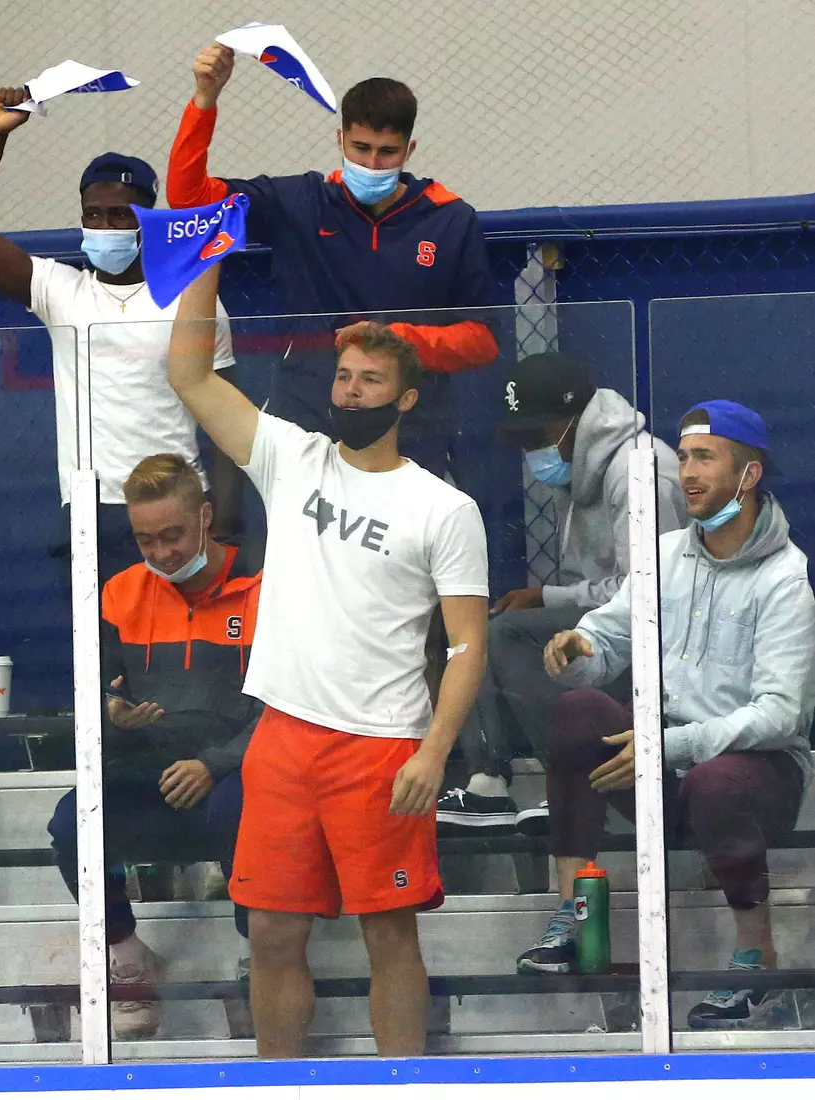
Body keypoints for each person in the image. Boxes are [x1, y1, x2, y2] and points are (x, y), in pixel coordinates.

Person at [165, 262, 488, 1058]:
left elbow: (468, 645)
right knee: (272, 930)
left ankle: (401, 1082)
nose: (349, 391)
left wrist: (434, 750)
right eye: (343, 377)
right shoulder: (292, 457)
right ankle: (277, 1082)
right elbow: (188, 373)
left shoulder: (443, 508)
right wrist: (206, 260)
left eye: (369, 380)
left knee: (388, 931)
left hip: (380, 746)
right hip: (281, 737)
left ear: (405, 398)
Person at [517, 400, 815, 1031]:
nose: (687, 472)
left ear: (749, 474)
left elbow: (780, 715)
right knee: (578, 710)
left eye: (705, 457)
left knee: (718, 778)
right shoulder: (666, 552)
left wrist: (668, 746)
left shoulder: (787, 579)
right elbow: (611, 636)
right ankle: (571, 920)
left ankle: (755, 966)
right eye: (682, 457)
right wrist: (582, 645)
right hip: (656, 762)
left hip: (754, 775)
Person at [0, 86, 240, 583]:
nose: (106, 225)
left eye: (121, 214)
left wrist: (227, 524)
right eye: (94, 215)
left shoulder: (193, 298)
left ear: (149, 219)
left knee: (182, 652)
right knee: (100, 658)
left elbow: (228, 420)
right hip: (92, 510)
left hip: (180, 508)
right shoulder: (60, 290)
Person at [165, 46, 499, 480]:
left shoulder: (451, 219)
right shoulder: (299, 202)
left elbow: (483, 340)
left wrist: (395, 340)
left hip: (411, 439)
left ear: (409, 150)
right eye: (360, 148)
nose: (372, 164)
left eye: (387, 152)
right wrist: (204, 100)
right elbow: (188, 200)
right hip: (306, 433)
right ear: (339, 140)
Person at [46, 453, 263, 1040]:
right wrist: (113, 715)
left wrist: (214, 763)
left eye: (173, 535)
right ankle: (127, 954)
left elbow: (288, 704)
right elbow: (95, 699)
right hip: (151, 769)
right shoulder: (119, 593)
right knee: (72, 821)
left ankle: (257, 956)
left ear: (206, 517)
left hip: (237, 769)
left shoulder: (264, 583)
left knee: (242, 804)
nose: (163, 552)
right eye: (147, 540)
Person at [436, 353, 686, 830]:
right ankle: (488, 783)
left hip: (652, 647)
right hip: (601, 630)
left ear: (575, 421)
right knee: (482, 631)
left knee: (509, 633)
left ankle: (566, 781)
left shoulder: (641, 474)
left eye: (537, 435)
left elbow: (650, 593)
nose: (531, 451)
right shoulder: (579, 464)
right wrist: (547, 598)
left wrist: (549, 598)